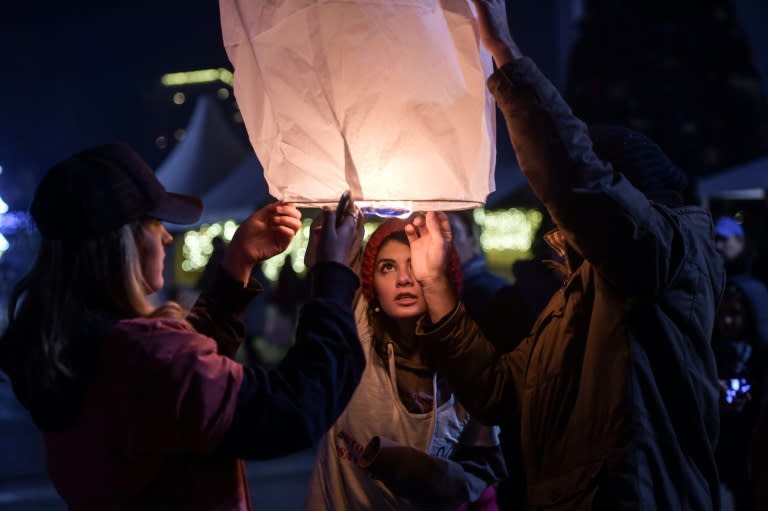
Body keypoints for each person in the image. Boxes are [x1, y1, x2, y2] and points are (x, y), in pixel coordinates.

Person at [404, 1, 726, 509]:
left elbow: (580, 181)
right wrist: (438, 291)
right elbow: (501, 393)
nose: (556, 217)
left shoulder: (668, 256)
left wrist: (504, 53)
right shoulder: (574, 302)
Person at [0, 143, 366, 510]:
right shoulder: (145, 353)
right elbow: (289, 411)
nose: (167, 237)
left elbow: (186, 396)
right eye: (155, 223)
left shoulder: (77, 345)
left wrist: (237, 264)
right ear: (123, 241)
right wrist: (332, 276)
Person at [304, 217, 507, 511]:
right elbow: (333, 272)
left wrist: (440, 477)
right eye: (387, 267)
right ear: (370, 280)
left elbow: (485, 466)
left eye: (415, 264)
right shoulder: (355, 336)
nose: (404, 279)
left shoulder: (466, 363)